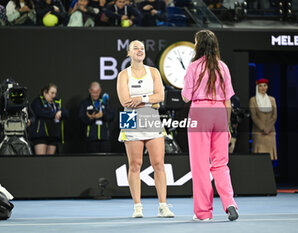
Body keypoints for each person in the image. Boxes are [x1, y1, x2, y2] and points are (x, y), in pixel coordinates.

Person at [181, 30, 238, 221]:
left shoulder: (193, 67)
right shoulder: (223, 67)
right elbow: (228, 102)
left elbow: (186, 96)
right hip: (220, 113)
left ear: (199, 45)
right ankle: (230, 203)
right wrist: (227, 126)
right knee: (221, 164)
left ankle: (204, 213)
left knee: (200, 165)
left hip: (200, 112)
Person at [116, 40, 174, 218]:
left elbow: (161, 96)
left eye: (142, 48)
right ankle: (137, 207)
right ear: (129, 53)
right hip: (130, 118)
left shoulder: (154, 72)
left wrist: (140, 98)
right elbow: (125, 101)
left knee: (158, 164)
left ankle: (163, 206)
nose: (140, 51)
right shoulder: (123, 75)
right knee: (135, 165)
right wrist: (150, 99)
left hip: (151, 117)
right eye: (136, 48)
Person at [30, 83, 69, 155]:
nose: (54, 96)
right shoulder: (38, 101)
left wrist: (60, 112)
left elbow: (66, 113)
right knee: (41, 160)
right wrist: (55, 114)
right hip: (41, 136)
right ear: (45, 92)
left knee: (50, 160)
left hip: (53, 135)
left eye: (55, 93)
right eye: (52, 93)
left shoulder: (56, 103)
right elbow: (40, 112)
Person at [79, 82, 114, 153]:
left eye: (97, 92)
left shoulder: (106, 102)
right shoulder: (85, 103)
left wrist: (103, 115)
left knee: (106, 160)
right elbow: (81, 119)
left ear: (100, 90)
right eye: (93, 92)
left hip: (105, 138)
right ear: (89, 90)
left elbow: (112, 116)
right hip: (91, 139)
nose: (95, 94)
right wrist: (91, 118)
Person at [249, 79, 277, 161]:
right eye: (261, 86)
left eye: (265, 85)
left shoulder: (272, 99)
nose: (263, 88)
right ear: (257, 87)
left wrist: (268, 128)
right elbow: (254, 116)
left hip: (270, 132)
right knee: (259, 158)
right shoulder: (253, 100)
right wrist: (263, 128)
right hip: (259, 132)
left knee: (270, 157)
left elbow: (274, 115)